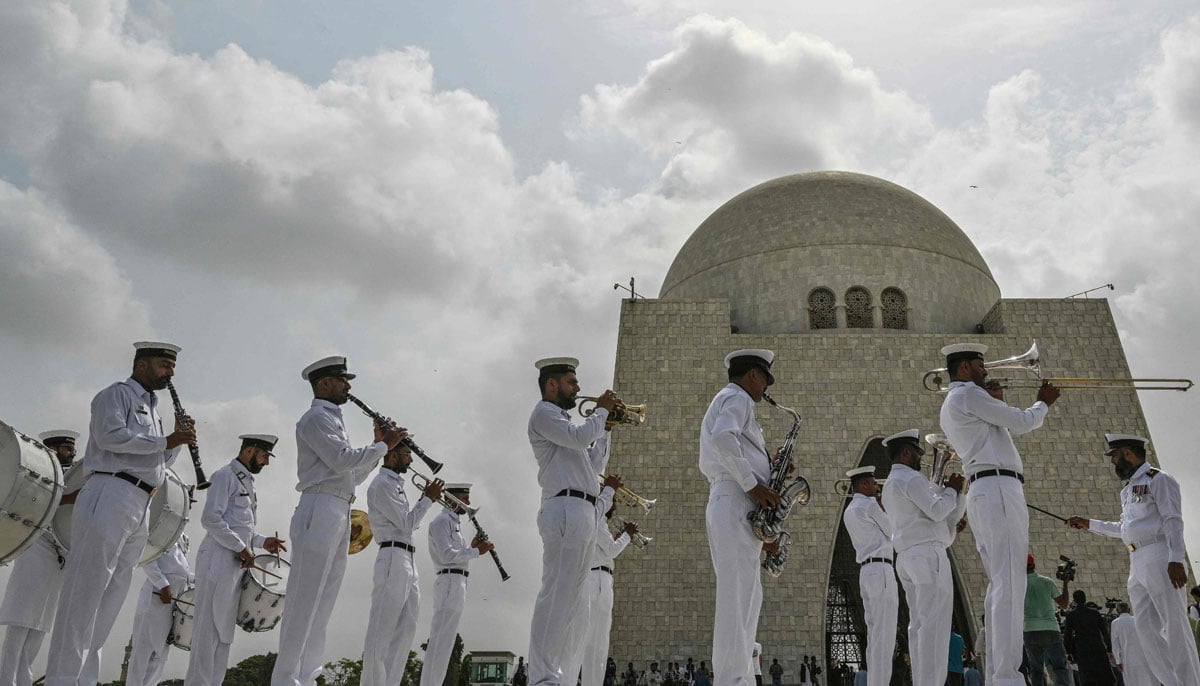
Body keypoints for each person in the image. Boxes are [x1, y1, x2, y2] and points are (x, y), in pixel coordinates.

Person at [46, 342, 195, 685]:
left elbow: (158, 459)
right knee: (86, 587)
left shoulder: (154, 407)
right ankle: (62, 677)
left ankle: (84, 677)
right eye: (163, 365)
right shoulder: (115, 395)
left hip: (140, 501)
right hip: (110, 490)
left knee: (112, 594)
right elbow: (110, 437)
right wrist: (166, 441)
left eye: (171, 367)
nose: (170, 373)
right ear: (142, 364)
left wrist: (176, 443)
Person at [272, 355, 407, 686]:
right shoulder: (315, 419)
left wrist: (380, 449)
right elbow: (341, 459)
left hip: (338, 508)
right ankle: (285, 678)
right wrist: (381, 444)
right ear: (324, 384)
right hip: (318, 508)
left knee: (324, 601)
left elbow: (352, 475)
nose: (348, 387)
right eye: (343, 380)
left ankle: (308, 674)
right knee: (305, 599)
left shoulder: (333, 420)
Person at [938, 342, 1059, 686]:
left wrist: (997, 404)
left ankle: (998, 672)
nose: (986, 369)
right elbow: (1023, 423)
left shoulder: (960, 401)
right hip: (999, 490)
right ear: (963, 369)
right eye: (979, 364)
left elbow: (995, 432)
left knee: (1000, 585)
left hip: (987, 490)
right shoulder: (967, 396)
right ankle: (1007, 675)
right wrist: (1043, 402)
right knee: (1010, 583)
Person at [1066, 433, 1200, 686]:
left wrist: (1176, 559)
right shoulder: (1127, 490)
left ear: (1128, 453)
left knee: (1175, 627)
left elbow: (1172, 519)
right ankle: (1172, 682)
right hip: (1136, 559)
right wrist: (1089, 524)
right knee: (1146, 630)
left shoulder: (1159, 480)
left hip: (1160, 555)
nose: (1112, 462)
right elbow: (1125, 528)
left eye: (1115, 456)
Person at [526, 356, 618, 686]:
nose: (578, 388)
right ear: (552, 385)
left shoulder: (563, 421)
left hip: (581, 510)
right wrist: (602, 411)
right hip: (564, 508)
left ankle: (555, 673)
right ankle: (542, 676)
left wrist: (604, 430)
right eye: (572, 382)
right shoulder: (545, 414)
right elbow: (580, 438)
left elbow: (592, 462)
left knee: (572, 601)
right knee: (556, 594)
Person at [699, 349, 782, 685]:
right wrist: (753, 485)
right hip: (736, 496)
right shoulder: (738, 398)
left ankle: (742, 678)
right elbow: (722, 438)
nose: (765, 389)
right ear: (752, 376)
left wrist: (769, 468)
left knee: (748, 597)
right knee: (738, 598)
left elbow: (733, 446)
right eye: (764, 380)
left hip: (736, 499)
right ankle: (732, 680)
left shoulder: (735, 400)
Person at [185, 433, 288, 684]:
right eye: (264, 456)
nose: (266, 462)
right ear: (250, 451)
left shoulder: (246, 481)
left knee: (223, 633)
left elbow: (242, 527)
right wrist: (242, 547)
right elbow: (210, 519)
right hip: (218, 558)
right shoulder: (224, 476)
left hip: (235, 563)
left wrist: (262, 542)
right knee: (207, 631)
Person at [880, 428, 967, 686]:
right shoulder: (911, 479)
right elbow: (939, 510)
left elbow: (934, 520)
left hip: (909, 557)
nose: (921, 459)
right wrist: (952, 491)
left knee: (919, 627)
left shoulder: (891, 485)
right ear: (906, 453)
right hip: (928, 558)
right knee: (936, 628)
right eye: (918, 453)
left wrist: (953, 507)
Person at [0, 430, 79, 686]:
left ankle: (24, 680)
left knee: (39, 626)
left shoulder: (73, 475)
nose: (73, 453)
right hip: (36, 550)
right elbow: (37, 500)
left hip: (58, 558)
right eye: (68, 449)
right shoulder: (42, 474)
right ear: (54, 449)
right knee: (21, 623)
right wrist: (71, 498)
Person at [361, 442, 443, 685]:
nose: (411, 461)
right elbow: (407, 523)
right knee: (381, 631)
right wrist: (427, 500)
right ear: (393, 456)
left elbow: (408, 523)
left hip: (407, 557)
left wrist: (423, 500)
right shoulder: (382, 485)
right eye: (407, 455)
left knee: (406, 629)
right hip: (392, 557)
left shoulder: (395, 484)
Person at [420, 482, 494, 686]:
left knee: (446, 641)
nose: (469, 503)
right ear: (453, 499)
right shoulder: (441, 522)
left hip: (457, 580)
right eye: (465, 498)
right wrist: (477, 552)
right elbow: (446, 555)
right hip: (449, 581)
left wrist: (471, 548)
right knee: (440, 641)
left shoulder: (454, 523)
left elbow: (457, 555)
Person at [560, 503, 631, 686]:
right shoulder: (597, 521)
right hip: (598, 580)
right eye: (613, 502)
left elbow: (605, 549)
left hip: (595, 577)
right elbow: (612, 550)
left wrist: (616, 539)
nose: (615, 507)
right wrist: (627, 536)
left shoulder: (598, 523)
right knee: (596, 643)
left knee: (590, 641)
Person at [841, 465, 898, 686]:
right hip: (881, 569)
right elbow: (893, 532)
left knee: (875, 635)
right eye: (874, 483)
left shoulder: (850, 510)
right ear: (863, 485)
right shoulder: (870, 505)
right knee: (885, 635)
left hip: (866, 572)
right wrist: (886, 508)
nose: (877, 487)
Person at [126, 535, 192, 686]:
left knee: (159, 656)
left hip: (172, 604)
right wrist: (162, 584)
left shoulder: (183, 537)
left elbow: (183, 573)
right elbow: (147, 556)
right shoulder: (164, 528)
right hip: (156, 598)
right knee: (142, 655)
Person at [1023, 553, 1070, 686]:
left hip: (1030, 630)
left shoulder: (1019, 585)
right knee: (1059, 666)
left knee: (1036, 669)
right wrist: (1065, 583)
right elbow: (1064, 604)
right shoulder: (1047, 581)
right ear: (1034, 565)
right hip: (1051, 629)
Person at [1062, 590, 1115, 686]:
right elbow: (1104, 631)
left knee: (1088, 679)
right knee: (1104, 677)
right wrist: (1109, 648)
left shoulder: (1071, 615)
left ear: (1074, 600)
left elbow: (1067, 636)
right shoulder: (1094, 613)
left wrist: (1069, 652)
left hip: (1082, 650)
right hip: (1098, 647)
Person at [1109, 602, 1151, 686]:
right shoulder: (1137, 620)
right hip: (1143, 656)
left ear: (1117, 611)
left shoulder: (1115, 623)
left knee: (1131, 681)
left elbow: (1115, 644)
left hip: (1126, 658)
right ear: (1129, 610)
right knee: (1145, 680)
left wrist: (1118, 661)